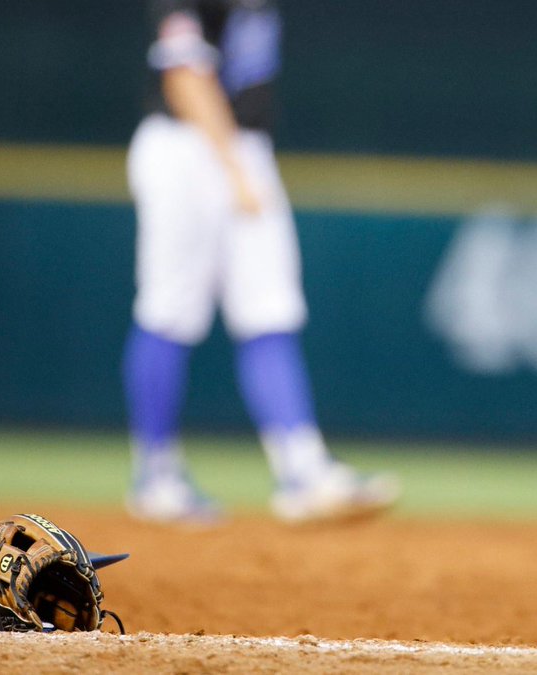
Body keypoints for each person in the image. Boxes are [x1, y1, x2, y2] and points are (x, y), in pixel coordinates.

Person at [123, 0, 400, 525]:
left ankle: (302, 471)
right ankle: (155, 476)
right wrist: (232, 168)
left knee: (269, 311)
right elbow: (184, 78)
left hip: (245, 146)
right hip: (187, 146)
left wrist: (242, 164)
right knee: (169, 310)